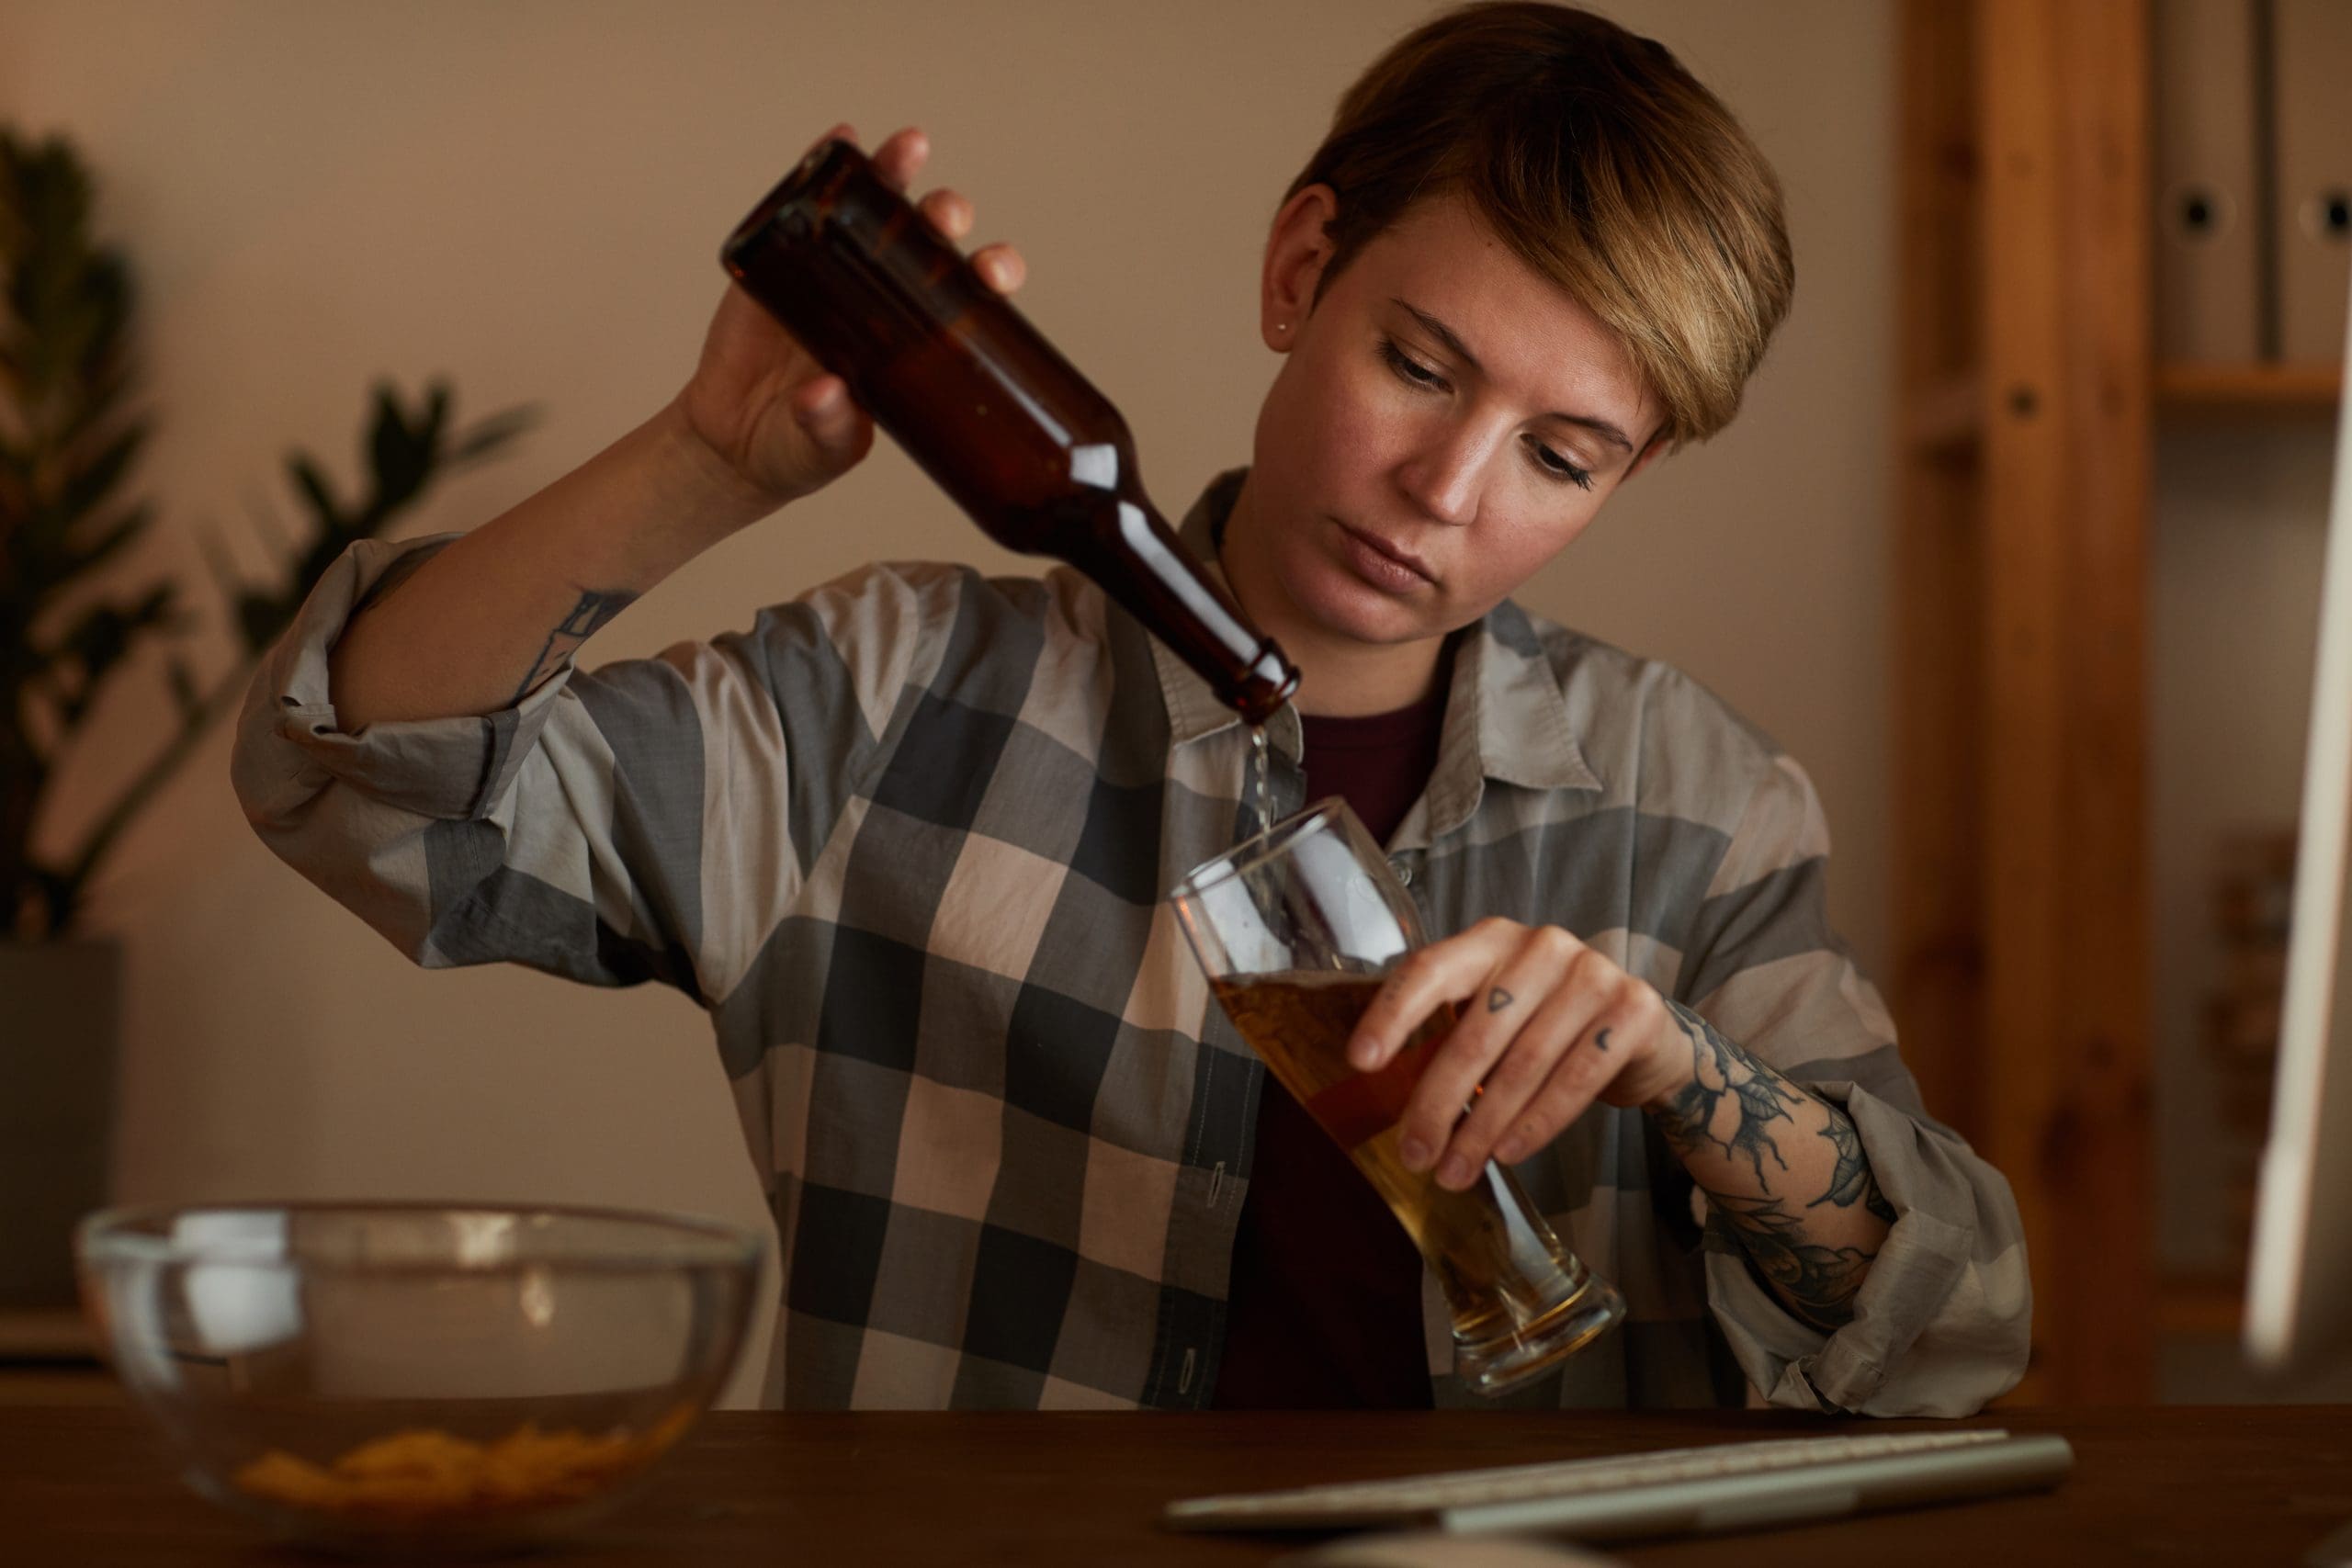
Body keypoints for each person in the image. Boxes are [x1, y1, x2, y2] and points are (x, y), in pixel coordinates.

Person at [232, 1, 2030, 1415]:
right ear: (1297, 266)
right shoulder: (889, 697)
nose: (1445, 487)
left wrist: (1676, 1067)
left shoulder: (1698, 800)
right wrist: (706, 460)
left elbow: (1950, 1317)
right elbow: (361, 785)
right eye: (1419, 363)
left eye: (1557, 454)